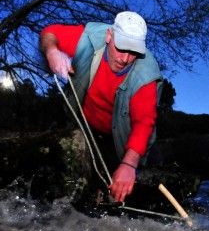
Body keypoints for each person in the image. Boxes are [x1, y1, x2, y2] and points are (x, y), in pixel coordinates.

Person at [40, 11, 163, 203]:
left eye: (133, 52)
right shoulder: (89, 38)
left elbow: (144, 123)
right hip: (82, 123)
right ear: (109, 36)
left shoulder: (146, 76)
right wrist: (52, 51)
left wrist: (129, 165)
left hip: (118, 139)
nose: (125, 59)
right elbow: (49, 33)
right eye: (121, 48)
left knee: (116, 194)